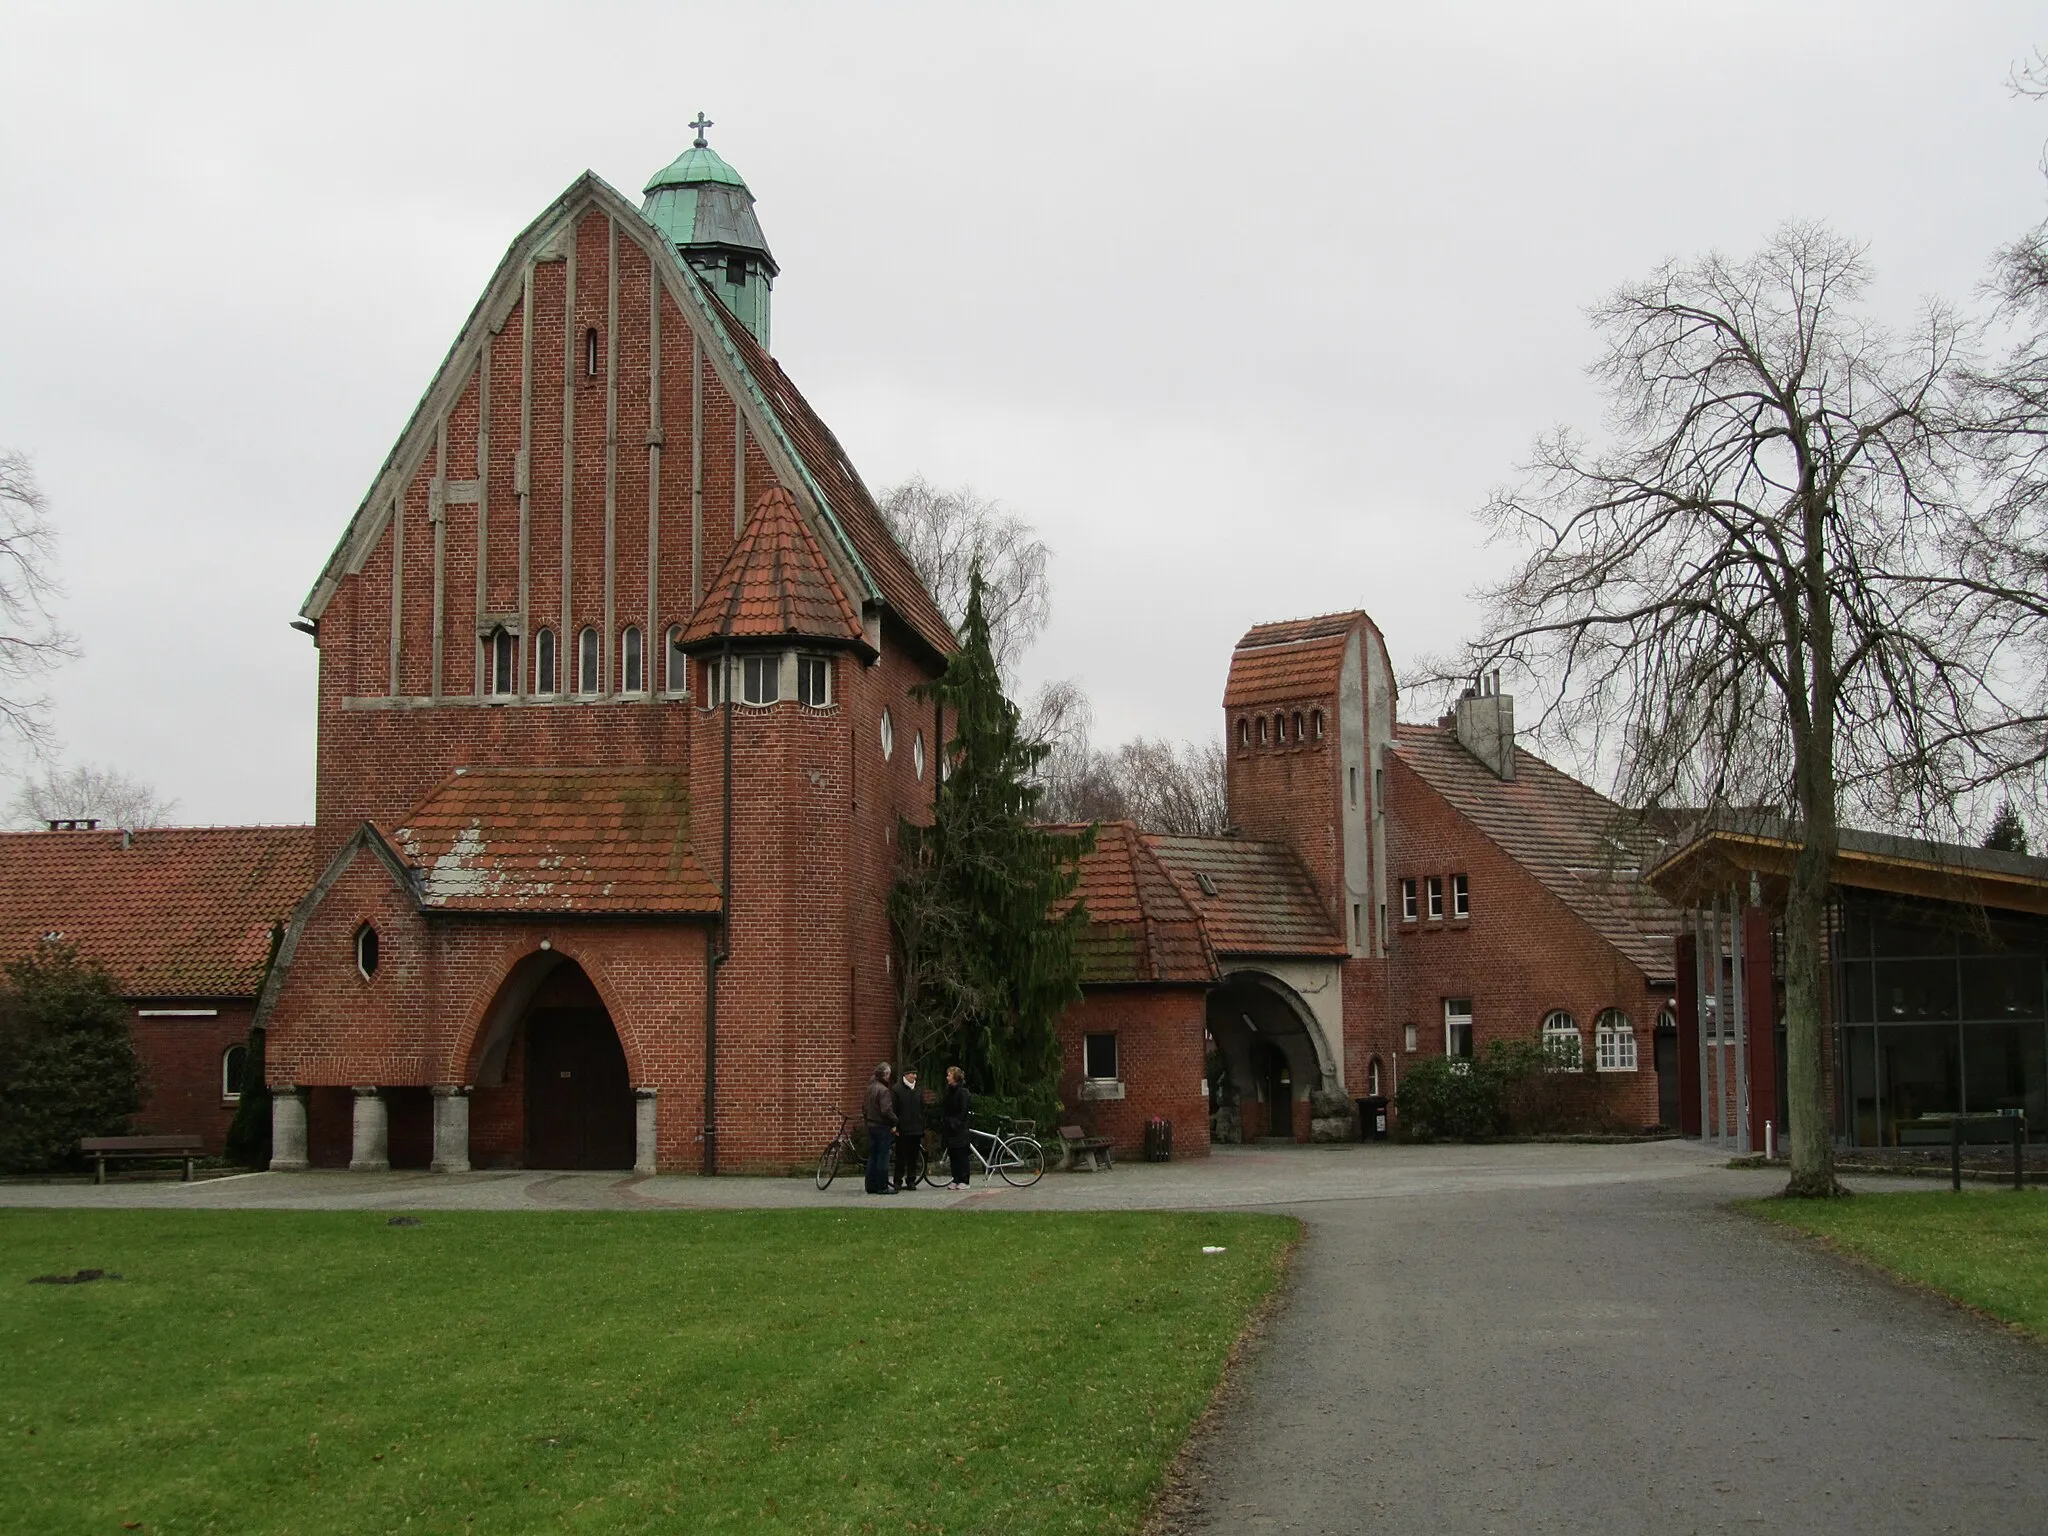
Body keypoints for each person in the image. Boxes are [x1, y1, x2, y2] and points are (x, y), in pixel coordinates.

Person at [862, 1062, 897, 1195]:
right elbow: (886, 1110)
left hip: (871, 1125)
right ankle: (882, 1186)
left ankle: (870, 1185)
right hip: (881, 1126)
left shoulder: (870, 1088)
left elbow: (864, 1107)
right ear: (886, 1074)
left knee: (873, 1156)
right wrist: (895, 1121)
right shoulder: (883, 1090)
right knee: (883, 1157)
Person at [891, 1068, 927, 1191]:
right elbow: (894, 1109)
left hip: (916, 1128)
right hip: (903, 1128)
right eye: (912, 1073)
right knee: (901, 1156)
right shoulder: (897, 1089)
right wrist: (894, 1125)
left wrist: (922, 1124)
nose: (915, 1076)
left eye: (916, 1073)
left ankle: (911, 1180)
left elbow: (922, 1107)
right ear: (905, 1075)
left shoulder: (918, 1089)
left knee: (913, 1156)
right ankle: (898, 1180)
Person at [940, 1065, 972, 1190]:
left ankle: (964, 1179)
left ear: (955, 1077)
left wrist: (955, 1123)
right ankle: (956, 1178)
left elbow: (963, 1112)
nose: (947, 1077)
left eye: (949, 1075)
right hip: (950, 1128)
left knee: (961, 1154)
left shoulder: (963, 1092)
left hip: (959, 1129)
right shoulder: (948, 1091)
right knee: (953, 1154)